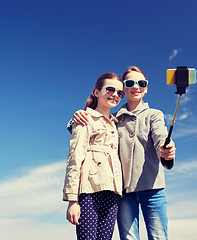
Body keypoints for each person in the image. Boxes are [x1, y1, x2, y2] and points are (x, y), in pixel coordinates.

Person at [70, 66, 176, 240]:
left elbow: (161, 138)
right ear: (124, 88)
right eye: (130, 83)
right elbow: (91, 124)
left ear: (146, 88)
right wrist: (76, 116)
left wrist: (167, 149)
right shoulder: (114, 118)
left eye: (141, 83)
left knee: (158, 237)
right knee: (128, 238)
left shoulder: (154, 115)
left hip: (153, 189)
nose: (136, 86)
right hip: (124, 192)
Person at [63, 72, 126, 240]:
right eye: (110, 89)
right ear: (97, 92)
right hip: (89, 192)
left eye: (120, 93)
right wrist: (72, 201)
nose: (115, 95)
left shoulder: (116, 124)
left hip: (113, 193)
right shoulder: (85, 119)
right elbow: (74, 160)